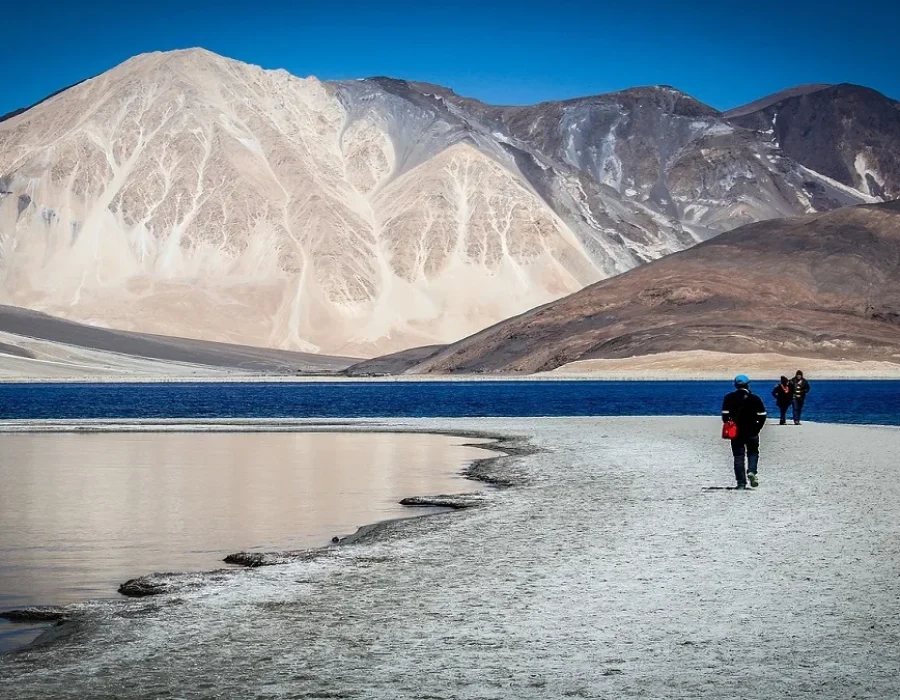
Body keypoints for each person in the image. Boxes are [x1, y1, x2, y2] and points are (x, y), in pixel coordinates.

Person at [722, 374, 768, 489]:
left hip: (736, 432)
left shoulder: (729, 398)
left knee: (738, 456)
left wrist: (730, 425)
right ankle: (752, 471)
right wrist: (757, 428)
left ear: (735, 385)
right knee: (753, 452)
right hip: (752, 430)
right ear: (748, 385)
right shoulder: (755, 398)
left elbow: (725, 416)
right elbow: (762, 416)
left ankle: (741, 483)